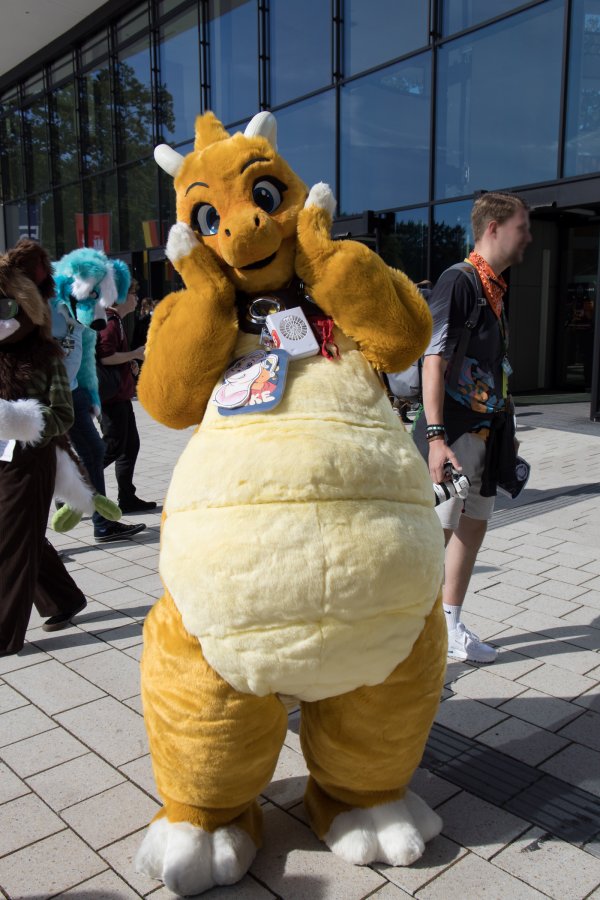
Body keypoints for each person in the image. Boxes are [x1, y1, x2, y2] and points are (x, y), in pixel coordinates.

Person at [418, 192, 532, 663]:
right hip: (456, 435)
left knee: (474, 526)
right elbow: (433, 360)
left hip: (488, 435)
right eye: (522, 227)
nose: (528, 237)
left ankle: (450, 625)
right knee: (437, 533)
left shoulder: (496, 289)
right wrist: (436, 438)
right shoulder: (459, 281)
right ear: (494, 229)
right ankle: (408, 629)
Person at [51, 298, 146, 543]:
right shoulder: (52, 310)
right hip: (52, 396)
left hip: (76, 393)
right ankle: (64, 507)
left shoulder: (84, 312)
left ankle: (103, 523)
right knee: (40, 462)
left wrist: (91, 394)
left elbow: (83, 359)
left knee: (96, 451)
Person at [96, 280, 157, 515]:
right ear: (119, 297)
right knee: (111, 447)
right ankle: (73, 485)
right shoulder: (110, 322)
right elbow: (105, 357)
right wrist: (134, 354)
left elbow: (112, 357)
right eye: (132, 293)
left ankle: (127, 497)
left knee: (130, 446)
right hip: (111, 399)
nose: (136, 298)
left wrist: (128, 361)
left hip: (119, 395)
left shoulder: (116, 321)